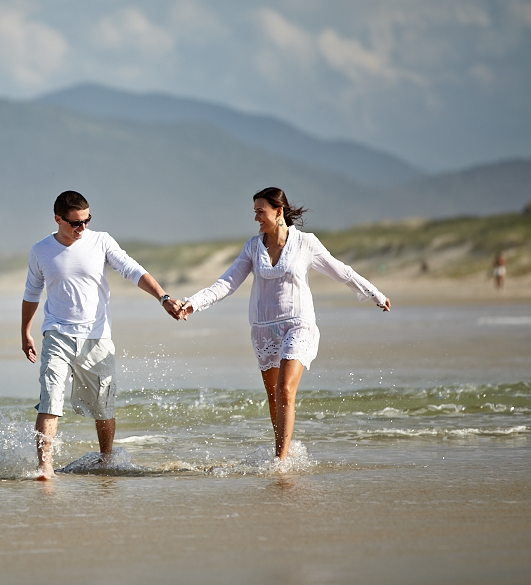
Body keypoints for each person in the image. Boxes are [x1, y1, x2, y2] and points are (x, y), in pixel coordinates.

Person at [170, 187, 391, 461]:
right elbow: (226, 283)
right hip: (264, 330)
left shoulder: (305, 243)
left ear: (279, 211)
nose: (256, 218)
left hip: (298, 324)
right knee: (274, 398)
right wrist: (192, 303)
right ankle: (281, 450)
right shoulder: (253, 246)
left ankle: (281, 461)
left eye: (260, 212)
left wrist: (374, 294)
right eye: (255, 213)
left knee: (285, 389)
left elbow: (341, 270)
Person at [22, 190, 179, 479]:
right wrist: (25, 332)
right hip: (57, 334)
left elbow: (132, 270)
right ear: (58, 219)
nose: (82, 227)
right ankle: (44, 467)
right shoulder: (41, 250)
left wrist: (163, 297)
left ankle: (106, 459)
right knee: (50, 399)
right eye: (75, 223)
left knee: (103, 407)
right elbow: (32, 292)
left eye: (86, 220)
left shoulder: (101, 241)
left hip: (97, 337)